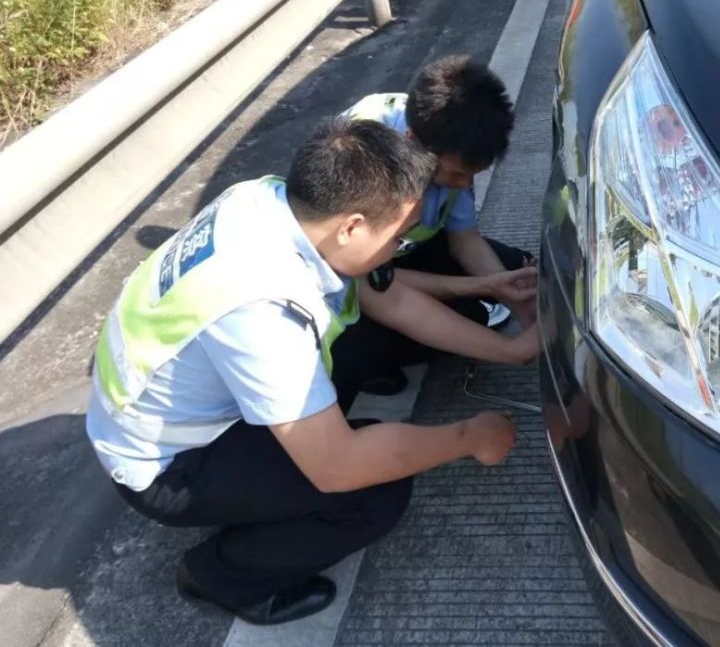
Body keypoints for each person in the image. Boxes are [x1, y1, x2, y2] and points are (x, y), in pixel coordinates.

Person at [85, 118, 540, 625]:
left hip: (169, 404)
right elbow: (339, 466)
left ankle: (273, 479)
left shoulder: (270, 202)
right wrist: (468, 437)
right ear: (352, 227)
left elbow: (391, 301)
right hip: (167, 466)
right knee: (373, 491)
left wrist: (514, 351)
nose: (399, 250)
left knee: (364, 338)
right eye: (398, 236)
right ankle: (221, 576)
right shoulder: (263, 307)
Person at [338, 55, 537, 396]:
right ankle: (367, 365)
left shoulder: (447, 136)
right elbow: (378, 286)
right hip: (355, 278)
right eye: (454, 175)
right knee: (460, 321)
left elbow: (465, 239)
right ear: (413, 142)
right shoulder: (362, 167)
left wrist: (517, 304)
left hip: (400, 254)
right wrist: (486, 292)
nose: (462, 185)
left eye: (471, 176)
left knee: (520, 273)